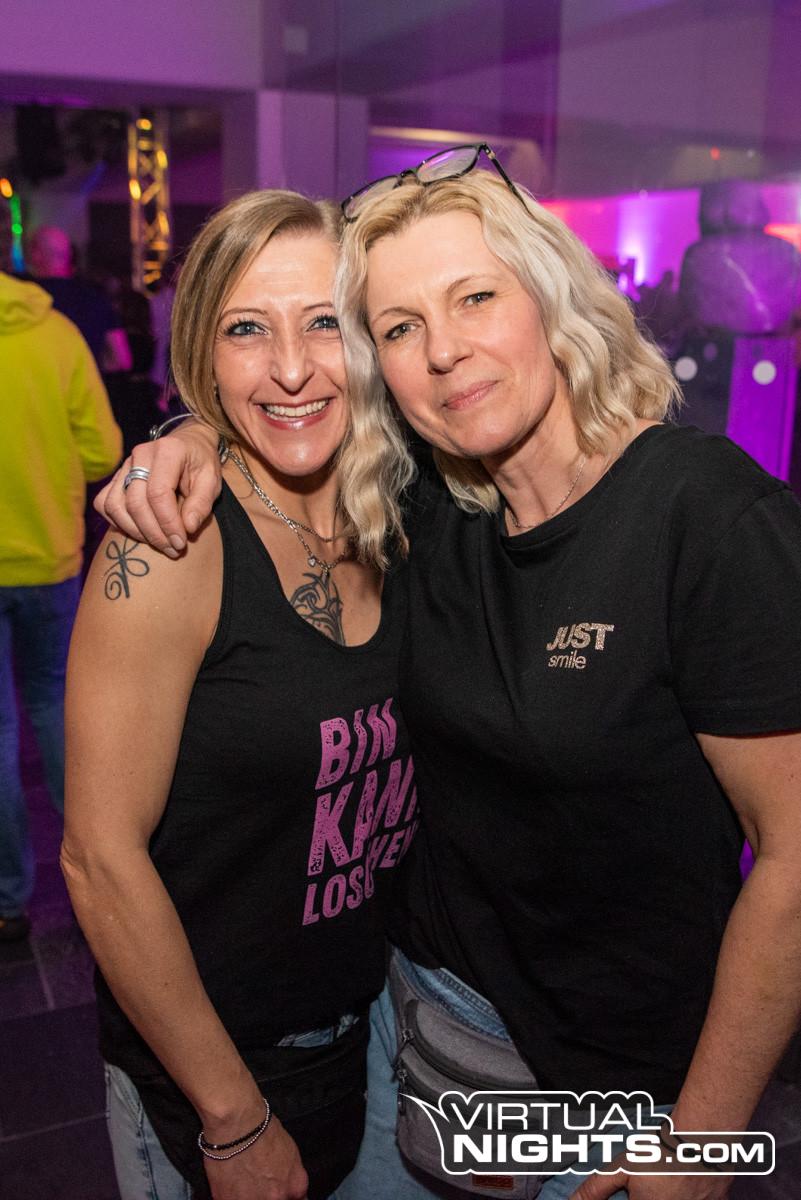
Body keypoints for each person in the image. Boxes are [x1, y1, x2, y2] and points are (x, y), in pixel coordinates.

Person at [95, 152, 801, 1200]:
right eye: (397, 326)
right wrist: (187, 434)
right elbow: (286, 405)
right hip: (412, 1037)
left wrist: (701, 1146)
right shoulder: (432, 505)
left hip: (607, 1093)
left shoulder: (707, 518)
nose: (443, 350)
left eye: (475, 298)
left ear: (550, 298)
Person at [62, 190, 417, 1200]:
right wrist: (231, 1116)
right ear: (200, 356)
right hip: (214, 1071)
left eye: (325, 323)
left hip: (377, 1032)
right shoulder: (166, 548)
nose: (291, 369)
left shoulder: (404, 510)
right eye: (246, 329)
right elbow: (97, 858)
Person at [0, 269, 121, 941]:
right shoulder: (54, 334)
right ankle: (94, 877)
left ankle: (7, 899)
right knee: (53, 706)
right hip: (49, 558)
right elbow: (103, 450)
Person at [27, 226, 133, 373]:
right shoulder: (95, 296)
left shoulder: (27, 298)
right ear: (69, 254)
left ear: (36, 255)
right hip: (84, 384)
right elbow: (122, 360)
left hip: (37, 383)